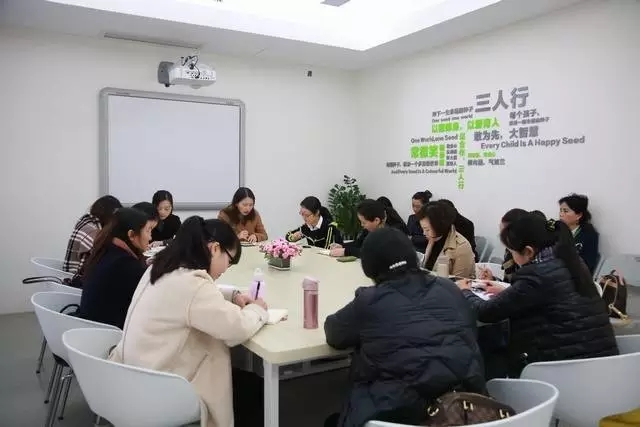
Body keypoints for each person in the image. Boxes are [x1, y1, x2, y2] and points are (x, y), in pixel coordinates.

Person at [108, 217, 268, 427]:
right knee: (254, 389)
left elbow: (189, 298)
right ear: (215, 249)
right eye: (229, 261)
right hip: (164, 388)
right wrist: (258, 309)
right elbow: (237, 328)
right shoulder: (193, 286)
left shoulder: (161, 266)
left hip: (134, 375)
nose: (226, 269)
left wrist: (233, 295)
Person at [324, 227, 486, 427]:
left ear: (369, 267)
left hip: (400, 414)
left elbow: (335, 334)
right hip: (467, 409)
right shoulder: (449, 288)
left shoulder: (370, 301)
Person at [457, 214, 618, 378]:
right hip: (602, 366)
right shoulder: (570, 262)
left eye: (511, 252)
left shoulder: (535, 275)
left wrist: (465, 291)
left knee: (486, 348)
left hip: (560, 372)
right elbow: (550, 296)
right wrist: (508, 290)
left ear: (528, 251)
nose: (512, 257)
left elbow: (486, 312)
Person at [78, 208, 155, 328]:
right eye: (148, 230)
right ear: (131, 235)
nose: (150, 237)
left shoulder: (105, 251)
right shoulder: (126, 265)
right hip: (109, 333)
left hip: (86, 329)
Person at [62, 195, 122, 274]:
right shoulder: (93, 232)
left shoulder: (85, 221)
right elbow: (89, 268)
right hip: (75, 277)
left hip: (69, 273)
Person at [416, 201, 475, 277]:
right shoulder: (433, 239)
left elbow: (459, 280)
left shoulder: (462, 247)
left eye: (427, 230)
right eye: (423, 229)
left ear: (439, 226)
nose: (424, 233)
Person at [477, 208, 528, 284]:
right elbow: (508, 284)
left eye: (504, 235)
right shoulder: (509, 253)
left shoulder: (534, 264)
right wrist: (492, 280)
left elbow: (518, 289)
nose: (502, 240)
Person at [559, 193, 600, 274]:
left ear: (579, 215)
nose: (561, 214)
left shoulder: (589, 235)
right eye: (560, 210)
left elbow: (588, 265)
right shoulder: (557, 230)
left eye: (565, 211)